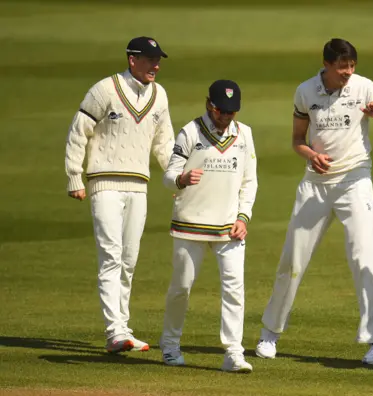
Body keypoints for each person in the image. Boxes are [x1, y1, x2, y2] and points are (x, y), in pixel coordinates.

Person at [256, 38, 373, 365]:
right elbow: (297, 140)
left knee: (365, 256)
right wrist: (310, 155)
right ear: (326, 65)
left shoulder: (365, 88)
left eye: (351, 67)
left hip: (355, 179)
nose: (347, 73)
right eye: (341, 68)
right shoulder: (306, 91)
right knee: (292, 259)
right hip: (315, 184)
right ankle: (270, 333)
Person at [64, 36, 174, 353]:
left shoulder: (160, 96)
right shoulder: (105, 90)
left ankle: (122, 328)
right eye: (150, 59)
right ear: (132, 60)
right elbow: (78, 132)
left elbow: (164, 145)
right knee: (111, 257)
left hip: (138, 186)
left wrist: (175, 181)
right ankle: (114, 332)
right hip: (105, 184)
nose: (156, 65)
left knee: (128, 260)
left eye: (158, 60)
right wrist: (74, 176)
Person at [158, 80, 258, 373]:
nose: (226, 118)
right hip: (190, 224)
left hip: (229, 227)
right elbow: (169, 175)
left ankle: (233, 352)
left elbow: (249, 182)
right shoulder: (190, 132)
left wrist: (243, 217)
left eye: (231, 112)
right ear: (208, 104)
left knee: (234, 289)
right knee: (181, 287)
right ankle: (171, 344)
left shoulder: (245, 135)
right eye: (221, 111)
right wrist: (182, 179)